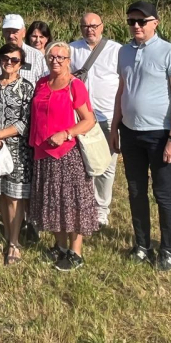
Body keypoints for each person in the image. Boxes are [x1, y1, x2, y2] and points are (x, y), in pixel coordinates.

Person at [108, 1, 171, 271]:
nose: (136, 26)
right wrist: (115, 128)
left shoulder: (170, 52)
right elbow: (122, 91)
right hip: (130, 133)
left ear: (155, 23)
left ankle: (168, 249)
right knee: (135, 191)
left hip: (160, 134)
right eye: (132, 21)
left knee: (163, 193)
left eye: (142, 21)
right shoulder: (124, 52)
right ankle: (142, 245)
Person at [28, 41, 99, 271]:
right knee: (52, 201)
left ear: (69, 61)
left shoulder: (74, 85)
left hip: (67, 154)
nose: (55, 61)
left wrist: (66, 133)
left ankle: (75, 252)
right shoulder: (41, 83)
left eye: (61, 57)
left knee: (71, 202)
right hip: (43, 152)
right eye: (52, 57)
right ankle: (59, 246)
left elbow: (89, 120)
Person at [70, 12, 122, 227]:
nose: (89, 29)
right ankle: (85, 205)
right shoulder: (71, 49)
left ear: (102, 26)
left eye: (93, 26)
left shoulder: (117, 50)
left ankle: (101, 209)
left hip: (108, 116)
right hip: (80, 117)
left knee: (107, 165)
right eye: (85, 26)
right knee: (83, 163)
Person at [0, 42, 35, 265]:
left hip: (17, 149)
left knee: (15, 197)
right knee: (2, 194)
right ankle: (7, 236)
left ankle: (14, 242)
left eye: (14, 60)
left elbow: (26, 121)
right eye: (5, 58)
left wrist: (0, 134)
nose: (9, 63)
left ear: (20, 64)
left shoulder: (26, 88)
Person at [0, 14, 48, 87]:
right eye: (7, 31)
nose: (11, 36)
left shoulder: (36, 56)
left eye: (15, 32)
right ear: (3, 32)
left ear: (24, 32)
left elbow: (44, 84)